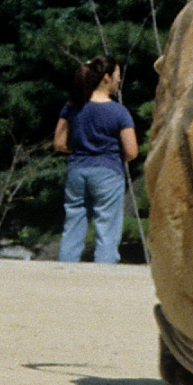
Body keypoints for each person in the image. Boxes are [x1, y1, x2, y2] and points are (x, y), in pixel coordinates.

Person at [55, 55, 139, 264]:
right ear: (107, 77)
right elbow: (132, 151)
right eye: (118, 76)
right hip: (108, 172)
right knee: (107, 229)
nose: (119, 81)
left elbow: (59, 143)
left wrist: (81, 149)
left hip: (77, 170)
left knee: (73, 225)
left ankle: (65, 274)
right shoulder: (119, 112)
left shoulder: (72, 106)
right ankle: (104, 278)